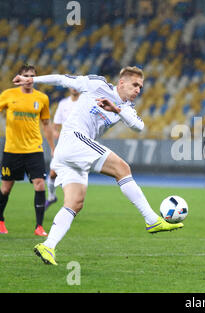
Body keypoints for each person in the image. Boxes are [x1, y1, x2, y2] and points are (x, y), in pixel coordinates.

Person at [13, 66, 184, 266]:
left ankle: (48, 246)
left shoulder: (126, 108)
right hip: (74, 139)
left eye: (141, 87)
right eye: (135, 85)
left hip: (71, 153)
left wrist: (116, 109)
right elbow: (63, 79)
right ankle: (151, 219)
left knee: (75, 203)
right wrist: (33, 80)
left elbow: (139, 127)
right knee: (122, 168)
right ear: (122, 83)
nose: (138, 90)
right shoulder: (97, 84)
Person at [0, 64, 55, 236]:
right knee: (6, 188)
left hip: (34, 149)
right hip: (12, 149)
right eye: (26, 75)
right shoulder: (8, 95)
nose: (29, 79)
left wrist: (53, 148)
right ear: (20, 77)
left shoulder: (42, 98)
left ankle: (39, 226)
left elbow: (46, 124)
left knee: (39, 184)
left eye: (32, 76)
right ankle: (0, 220)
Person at [45, 88, 81, 210]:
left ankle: (71, 205)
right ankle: (51, 196)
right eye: (72, 85)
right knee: (52, 173)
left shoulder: (85, 102)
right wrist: (55, 132)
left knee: (76, 176)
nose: (74, 88)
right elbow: (55, 126)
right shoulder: (63, 103)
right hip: (64, 143)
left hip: (80, 145)